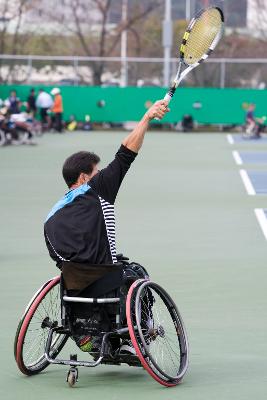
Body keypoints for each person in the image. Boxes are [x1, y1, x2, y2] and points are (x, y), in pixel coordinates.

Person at [44, 99, 170, 353]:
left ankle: (87, 337)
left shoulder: (52, 215)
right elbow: (125, 155)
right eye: (97, 171)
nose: (101, 174)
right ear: (83, 178)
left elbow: (57, 256)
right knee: (137, 273)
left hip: (73, 282)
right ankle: (142, 332)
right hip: (105, 277)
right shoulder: (97, 189)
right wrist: (146, 118)